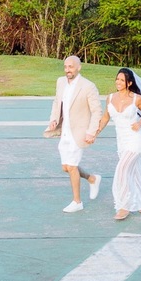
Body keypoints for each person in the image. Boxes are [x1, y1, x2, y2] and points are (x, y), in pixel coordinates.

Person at [93, 68, 141, 221]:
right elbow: (104, 118)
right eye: (117, 79)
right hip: (121, 142)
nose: (118, 82)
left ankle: (124, 206)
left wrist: (140, 123)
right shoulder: (110, 98)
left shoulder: (137, 99)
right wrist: (95, 133)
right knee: (134, 172)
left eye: (122, 80)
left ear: (129, 83)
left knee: (122, 170)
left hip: (135, 140)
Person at [43, 55, 103, 213]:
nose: (67, 70)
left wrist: (91, 132)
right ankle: (92, 178)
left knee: (72, 166)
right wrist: (53, 119)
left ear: (78, 67)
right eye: (65, 67)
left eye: (70, 67)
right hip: (65, 131)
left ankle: (77, 202)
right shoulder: (60, 82)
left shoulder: (88, 86)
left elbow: (97, 111)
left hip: (80, 132)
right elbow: (57, 102)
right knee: (66, 167)